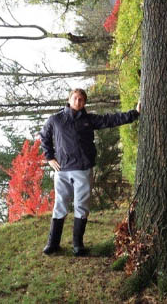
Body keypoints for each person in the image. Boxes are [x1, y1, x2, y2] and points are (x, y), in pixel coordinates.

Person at [40, 88, 140, 256]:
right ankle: (53, 244)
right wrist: (49, 157)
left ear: (84, 102)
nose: (78, 101)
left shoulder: (88, 119)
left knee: (81, 206)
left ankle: (77, 245)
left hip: (83, 169)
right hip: (62, 170)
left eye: (81, 99)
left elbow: (111, 119)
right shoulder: (55, 120)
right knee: (60, 205)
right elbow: (44, 137)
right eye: (75, 98)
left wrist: (134, 113)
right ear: (69, 99)